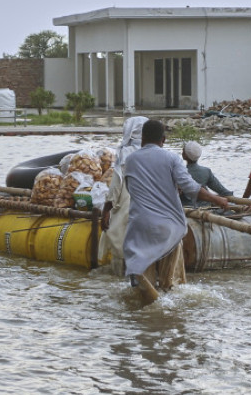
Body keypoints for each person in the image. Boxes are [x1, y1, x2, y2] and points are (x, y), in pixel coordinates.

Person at [123, 120, 230, 303]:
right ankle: (167, 313)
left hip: (139, 228)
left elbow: (132, 188)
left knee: (143, 288)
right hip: (167, 229)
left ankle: (143, 314)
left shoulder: (130, 160)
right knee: (171, 287)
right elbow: (190, 187)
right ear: (163, 139)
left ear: (142, 138)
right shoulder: (171, 159)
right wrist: (217, 199)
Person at [100, 115, 148, 272]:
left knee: (120, 246)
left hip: (128, 208)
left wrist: (106, 210)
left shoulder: (126, 153)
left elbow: (116, 186)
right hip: (149, 209)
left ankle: (122, 276)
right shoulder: (155, 152)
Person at [180, 140, 233, 206]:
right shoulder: (206, 171)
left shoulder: (180, 173)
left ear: (184, 156)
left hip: (186, 208)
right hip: (205, 207)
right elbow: (224, 192)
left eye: (183, 151)